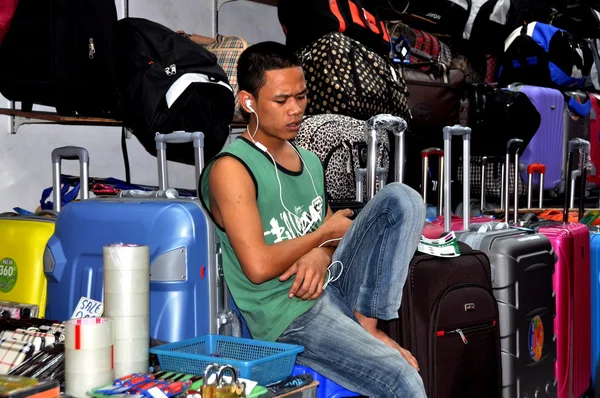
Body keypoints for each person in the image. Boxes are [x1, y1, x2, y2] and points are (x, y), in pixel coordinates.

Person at [199, 41, 427, 397]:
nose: (296, 110)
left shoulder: (309, 159)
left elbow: (332, 238)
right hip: (287, 315)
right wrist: (320, 237)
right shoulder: (232, 169)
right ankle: (364, 331)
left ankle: (368, 322)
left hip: (331, 286)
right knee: (403, 379)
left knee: (403, 199)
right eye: (281, 100)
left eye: (302, 97)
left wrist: (321, 251)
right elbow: (257, 266)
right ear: (248, 102)